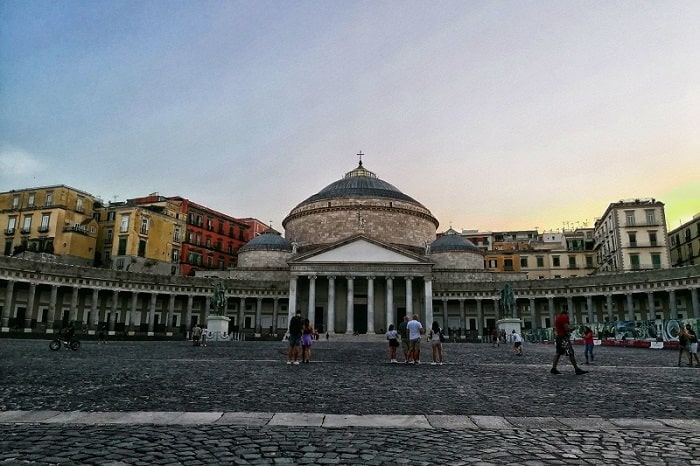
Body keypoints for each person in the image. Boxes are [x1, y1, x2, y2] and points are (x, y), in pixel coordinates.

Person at [551, 309, 587, 375]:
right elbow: (567, 329)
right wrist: (574, 328)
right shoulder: (564, 318)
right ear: (566, 314)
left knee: (558, 353)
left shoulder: (558, 318)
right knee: (570, 353)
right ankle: (577, 369)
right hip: (563, 338)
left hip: (559, 337)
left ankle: (553, 368)